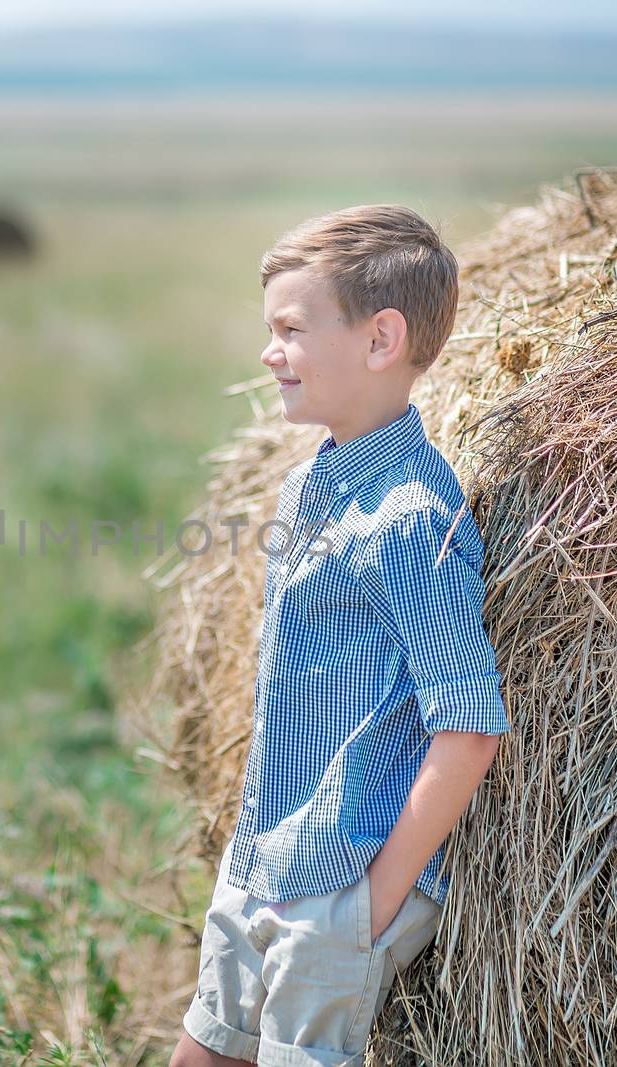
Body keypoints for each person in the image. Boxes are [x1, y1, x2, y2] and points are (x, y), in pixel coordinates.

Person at [171, 205, 512, 1067]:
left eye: (290, 328)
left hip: (337, 883)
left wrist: (369, 904)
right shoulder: (308, 489)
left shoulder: (409, 519)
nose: (268, 350)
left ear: (379, 338)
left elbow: (469, 731)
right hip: (262, 855)